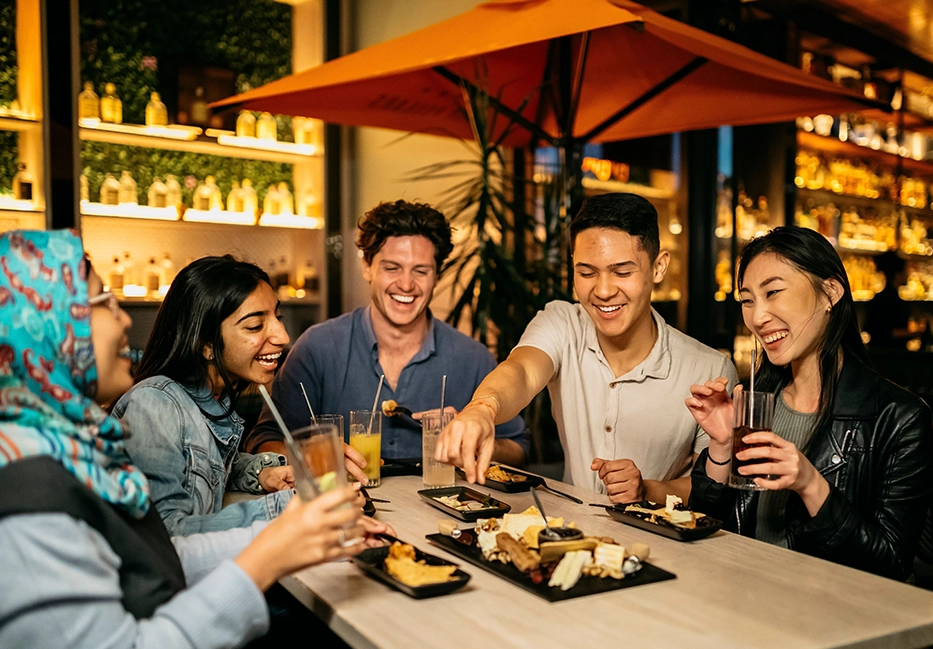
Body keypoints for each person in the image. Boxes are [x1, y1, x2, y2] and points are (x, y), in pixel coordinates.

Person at [0, 229, 394, 649]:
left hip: (167, 643)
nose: (125, 318)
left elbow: (156, 556)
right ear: (48, 327)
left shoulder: (66, 448)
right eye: (103, 302)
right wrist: (274, 541)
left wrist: (287, 514)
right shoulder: (29, 488)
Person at [683, 226, 933, 649]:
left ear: (831, 292)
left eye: (773, 292)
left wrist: (810, 484)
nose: (758, 316)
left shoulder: (897, 416)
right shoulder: (756, 405)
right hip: (743, 620)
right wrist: (719, 445)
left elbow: (889, 566)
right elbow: (705, 531)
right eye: (747, 300)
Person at [437, 192, 738, 501]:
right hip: (568, 527)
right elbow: (522, 371)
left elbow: (712, 491)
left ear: (658, 267)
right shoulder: (562, 322)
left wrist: (647, 489)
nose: (603, 290)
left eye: (622, 272)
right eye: (586, 273)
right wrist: (483, 409)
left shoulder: (709, 369)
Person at [246, 199, 529, 477]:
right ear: (367, 267)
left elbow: (519, 449)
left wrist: (473, 440)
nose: (406, 284)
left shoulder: (473, 358)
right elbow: (263, 441)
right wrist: (316, 457)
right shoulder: (317, 348)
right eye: (392, 268)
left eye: (420, 271)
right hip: (342, 505)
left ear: (437, 275)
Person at [111, 256, 296, 536]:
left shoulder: (214, 399)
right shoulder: (154, 404)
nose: (282, 336)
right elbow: (165, 535)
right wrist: (288, 508)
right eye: (255, 326)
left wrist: (261, 472)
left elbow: (201, 467)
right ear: (206, 344)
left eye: (278, 318)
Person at [863, 250, 913, 349]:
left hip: (877, 354)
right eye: (906, 270)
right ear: (898, 274)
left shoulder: (877, 299)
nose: (908, 274)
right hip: (892, 354)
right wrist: (918, 333)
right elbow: (890, 333)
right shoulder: (894, 301)